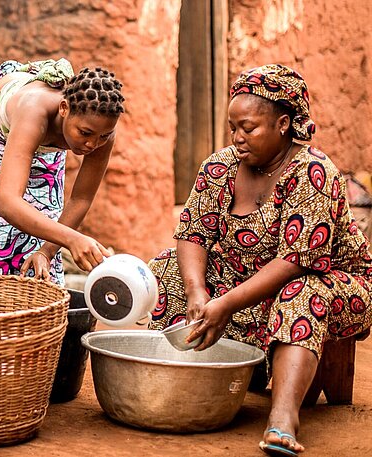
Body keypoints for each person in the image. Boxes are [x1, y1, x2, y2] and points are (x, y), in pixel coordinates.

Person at [147, 64, 372, 456]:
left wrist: (227, 303)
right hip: (248, 281)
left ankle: (283, 420)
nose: (237, 138)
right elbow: (192, 233)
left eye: (248, 128)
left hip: (330, 283)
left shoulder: (313, 172)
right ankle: (179, 381)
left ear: (283, 124)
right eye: (233, 127)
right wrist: (198, 292)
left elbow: (297, 260)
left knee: (301, 292)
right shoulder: (220, 167)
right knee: (166, 267)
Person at [0, 58, 125, 284]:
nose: (92, 145)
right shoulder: (34, 110)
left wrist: (47, 251)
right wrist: (72, 239)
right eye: (85, 133)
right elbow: (6, 201)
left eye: (102, 137)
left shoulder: (100, 131)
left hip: (49, 136)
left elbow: (81, 198)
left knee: (41, 239)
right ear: (64, 109)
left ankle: (37, 314)